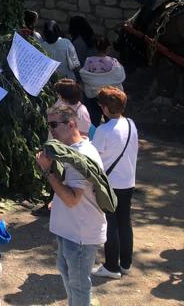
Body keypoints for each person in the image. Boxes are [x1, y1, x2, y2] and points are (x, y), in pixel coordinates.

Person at [35, 102, 107, 306]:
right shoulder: (72, 151)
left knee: (78, 285)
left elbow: (72, 199)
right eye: (49, 126)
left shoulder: (80, 156)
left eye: (54, 125)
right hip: (72, 230)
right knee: (70, 278)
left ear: (72, 124)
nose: (51, 130)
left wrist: (47, 170)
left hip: (80, 234)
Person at [90, 86, 138, 279]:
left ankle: (111, 266)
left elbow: (94, 156)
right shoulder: (131, 124)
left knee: (111, 223)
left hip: (110, 183)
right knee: (125, 221)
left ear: (106, 108)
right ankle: (126, 263)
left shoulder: (103, 130)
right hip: (128, 180)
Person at [79, 39, 125, 125]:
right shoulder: (113, 61)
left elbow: (85, 76)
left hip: (94, 95)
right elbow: (119, 75)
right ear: (108, 48)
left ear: (96, 48)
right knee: (111, 121)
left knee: (93, 120)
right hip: (110, 96)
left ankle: (94, 136)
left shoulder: (89, 61)